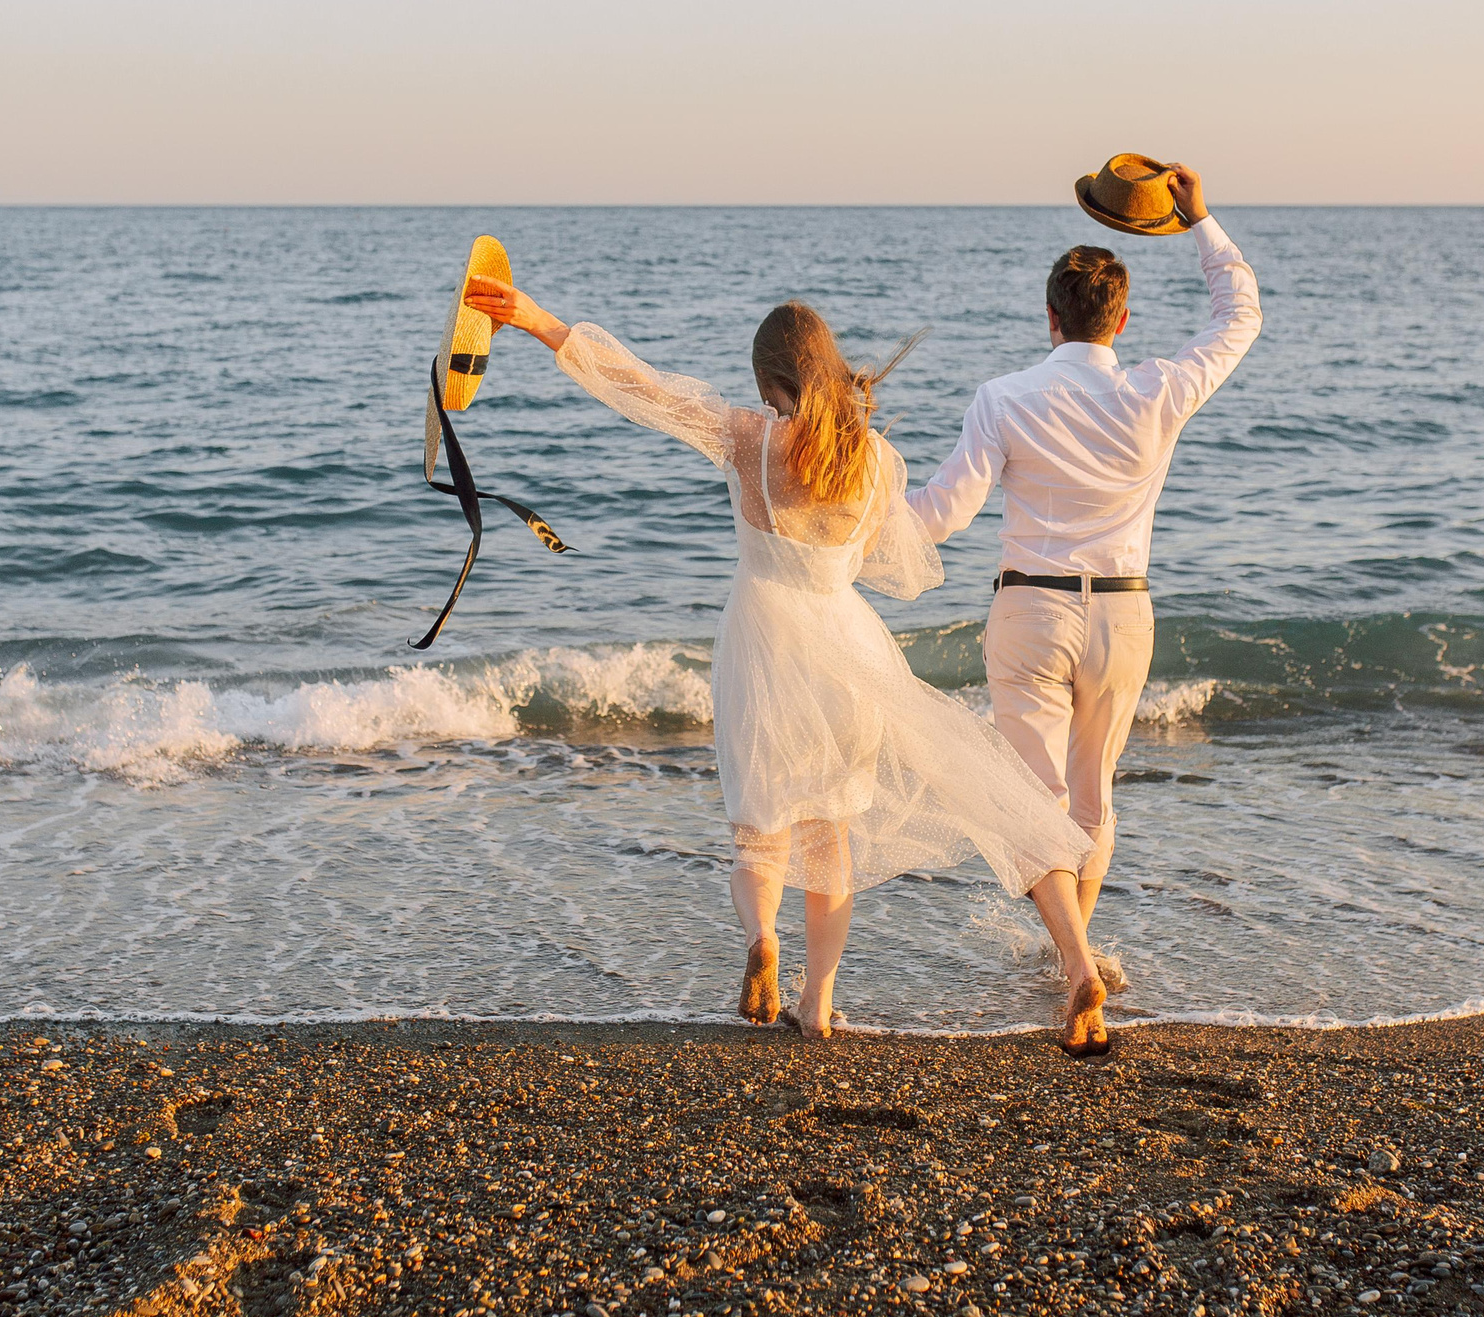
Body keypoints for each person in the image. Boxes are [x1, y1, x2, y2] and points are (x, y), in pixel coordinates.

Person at [463, 277, 1114, 1054]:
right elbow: (902, 564)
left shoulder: (748, 438)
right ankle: (827, 1000)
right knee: (843, 832)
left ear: (772, 381)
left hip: (761, 639)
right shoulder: (872, 459)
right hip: (846, 644)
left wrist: (536, 320)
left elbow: (642, 389)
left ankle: (763, 939)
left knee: (760, 830)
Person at [908, 159, 1262, 999]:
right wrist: (1200, 219)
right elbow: (1241, 314)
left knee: (1031, 802)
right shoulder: (1157, 391)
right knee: (1091, 798)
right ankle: (1076, 954)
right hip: (1123, 616)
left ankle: (1071, 962)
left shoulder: (1003, 397)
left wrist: (855, 519)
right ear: (1124, 319)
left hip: (1031, 608)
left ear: (1049, 318)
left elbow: (941, 513)